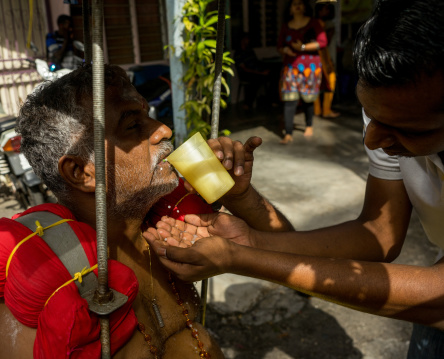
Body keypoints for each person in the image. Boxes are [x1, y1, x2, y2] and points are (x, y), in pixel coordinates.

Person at [144, 0, 444, 358]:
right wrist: (247, 225)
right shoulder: (391, 113)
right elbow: (379, 235)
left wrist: (240, 259)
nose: (373, 141)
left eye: (404, 130)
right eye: (370, 115)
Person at [0, 64, 252, 358]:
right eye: (132, 125)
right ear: (80, 172)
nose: (163, 130)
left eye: (148, 115)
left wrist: (241, 196)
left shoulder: (171, 222)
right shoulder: (46, 277)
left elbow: (290, 254)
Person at [277, 0, 327, 144]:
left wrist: (303, 47)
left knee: (308, 99)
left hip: (310, 68)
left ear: (305, 7)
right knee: (289, 99)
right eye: (294, 3)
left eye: (300, 2)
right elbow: (279, 45)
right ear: (290, 9)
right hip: (290, 67)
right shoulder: (285, 26)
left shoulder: (314, 23)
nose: (297, 5)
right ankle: (288, 133)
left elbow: (322, 42)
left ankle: (309, 125)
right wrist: (285, 50)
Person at [313, 3, 340, 119]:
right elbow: (323, 44)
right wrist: (328, 63)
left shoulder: (315, 23)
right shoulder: (322, 24)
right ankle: (325, 110)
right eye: (325, 9)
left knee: (316, 84)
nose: (327, 11)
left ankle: (318, 110)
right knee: (330, 81)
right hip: (323, 58)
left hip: (320, 58)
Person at [234, 33, 272, 111]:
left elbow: (256, 62)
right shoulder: (238, 53)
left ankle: (270, 100)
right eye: (247, 39)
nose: (248, 41)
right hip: (246, 74)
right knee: (256, 80)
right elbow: (245, 69)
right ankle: (248, 103)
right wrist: (261, 73)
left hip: (256, 71)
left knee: (271, 75)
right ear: (242, 40)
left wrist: (263, 70)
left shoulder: (249, 50)